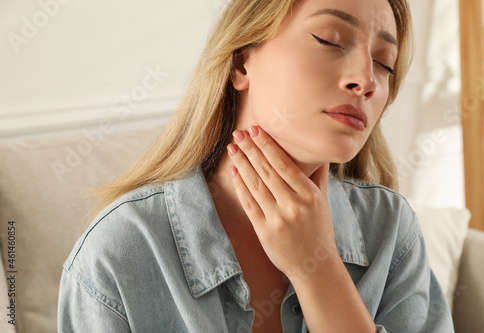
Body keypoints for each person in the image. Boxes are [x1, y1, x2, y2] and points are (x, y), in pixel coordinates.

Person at [58, 0, 454, 332]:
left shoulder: (392, 231)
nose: (366, 80)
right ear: (242, 62)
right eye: (329, 40)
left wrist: (317, 271)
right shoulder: (120, 253)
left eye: (384, 62)